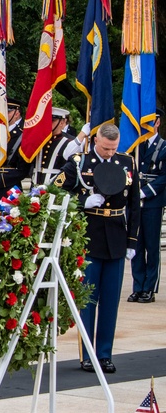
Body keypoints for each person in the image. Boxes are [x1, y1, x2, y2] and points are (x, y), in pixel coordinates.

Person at [53, 123, 139, 373]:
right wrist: (82, 201)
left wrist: (132, 241)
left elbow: (134, 205)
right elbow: (54, 192)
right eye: (105, 148)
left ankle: (104, 354)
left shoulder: (127, 163)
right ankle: (87, 354)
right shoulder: (79, 162)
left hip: (116, 238)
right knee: (87, 300)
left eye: (113, 148)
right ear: (95, 141)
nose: (110, 153)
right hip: (88, 238)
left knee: (111, 302)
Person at [129, 110, 166, 304]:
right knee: (136, 244)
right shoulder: (136, 146)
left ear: (158, 123)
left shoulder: (164, 147)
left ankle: (149, 288)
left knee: (151, 246)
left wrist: (146, 191)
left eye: (151, 122)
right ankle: (137, 286)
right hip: (135, 201)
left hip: (152, 201)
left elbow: (164, 177)